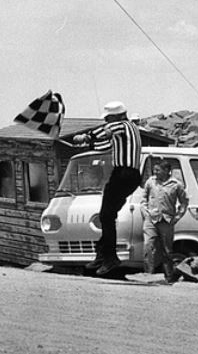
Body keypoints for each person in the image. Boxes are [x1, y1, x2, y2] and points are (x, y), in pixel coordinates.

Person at [73, 101, 142, 276]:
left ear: (117, 116)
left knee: (106, 215)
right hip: (130, 176)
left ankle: (109, 257)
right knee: (108, 215)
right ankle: (103, 254)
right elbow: (106, 143)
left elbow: (105, 132)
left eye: (109, 118)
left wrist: (86, 137)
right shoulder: (130, 128)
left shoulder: (122, 125)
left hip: (123, 174)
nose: (107, 121)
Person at [141, 158, 188, 282]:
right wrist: (145, 212)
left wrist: (177, 217)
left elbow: (184, 202)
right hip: (151, 219)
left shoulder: (176, 184)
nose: (155, 172)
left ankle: (169, 276)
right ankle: (148, 275)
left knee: (167, 249)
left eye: (158, 170)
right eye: (154, 170)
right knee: (148, 246)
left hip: (167, 221)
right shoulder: (150, 182)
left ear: (167, 170)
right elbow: (143, 199)